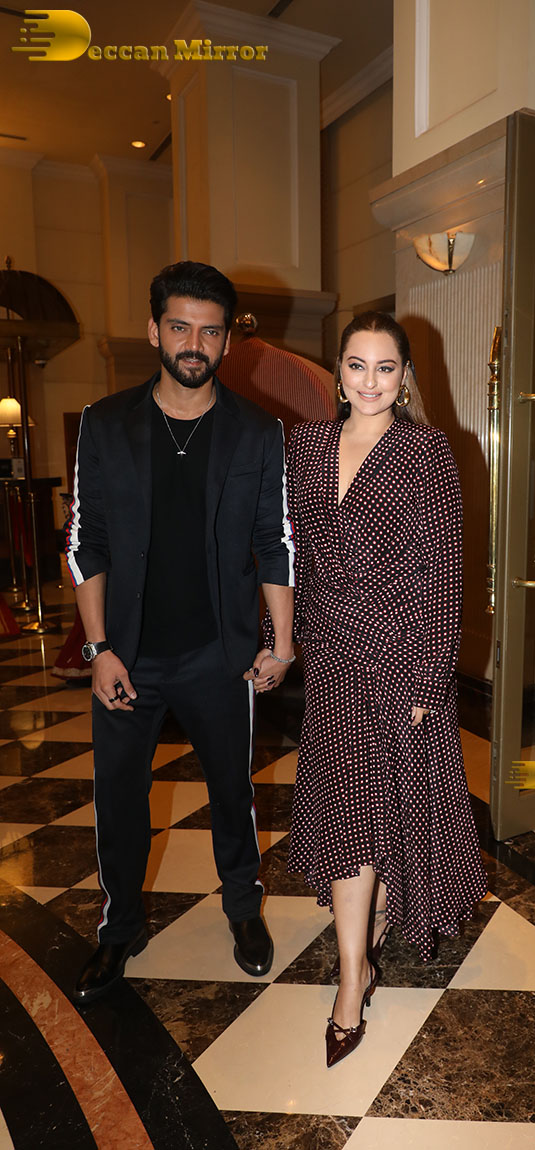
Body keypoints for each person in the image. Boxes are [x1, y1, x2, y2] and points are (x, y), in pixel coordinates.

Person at [66, 261, 295, 1004]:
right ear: (154, 330)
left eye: (210, 331)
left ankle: (243, 912)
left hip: (218, 655)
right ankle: (119, 928)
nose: (194, 343)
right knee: (118, 800)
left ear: (227, 340)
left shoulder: (257, 431)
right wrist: (99, 650)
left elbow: (275, 541)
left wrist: (280, 642)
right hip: (126, 656)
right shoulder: (105, 423)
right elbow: (87, 540)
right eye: (180, 327)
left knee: (232, 793)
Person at [278, 312, 486, 1067]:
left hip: (399, 660)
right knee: (349, 814)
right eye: (357, 365)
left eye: (385, 367)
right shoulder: (303, 446)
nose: (370, 381)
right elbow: (288, 552)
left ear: (405, 377)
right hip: (332, 659)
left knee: (380, 812)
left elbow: (443, 575)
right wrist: (278, 637)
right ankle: (355, 965)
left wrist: (430, 677)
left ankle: (353, 974)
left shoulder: (425, 452)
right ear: (338, 370)